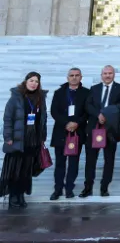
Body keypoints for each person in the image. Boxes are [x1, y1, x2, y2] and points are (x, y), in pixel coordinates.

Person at [1, 72, 47, 209]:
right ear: (26, 81)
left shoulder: (40, 98)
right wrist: (8, 137)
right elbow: (7, 118)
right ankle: (13, 197)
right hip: (18, 139)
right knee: (15, 170)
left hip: (32, 140)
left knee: (25, 171)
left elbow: (42, 120)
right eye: (31, 80)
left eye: (36, 81)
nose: (34, 83)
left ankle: (21, 196)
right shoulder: (16, 98)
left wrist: (42, 137)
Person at [81, 65, 120, 198]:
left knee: (109, 160)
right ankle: (87, 188)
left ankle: (104, 187)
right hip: (94, 128)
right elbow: (88, 105)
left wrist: (107, 115)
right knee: (90, 160)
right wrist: (99, 114)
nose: (107, 75)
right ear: (101, 75)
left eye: (110, 73)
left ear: (114, 75)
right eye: (105, 73)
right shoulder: (94, 88)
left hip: (111, 129)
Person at [50, 67, 89, 200]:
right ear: (67, 78)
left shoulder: (86, 93)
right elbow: (54, 111)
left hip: (77, 132)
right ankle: (58, 189)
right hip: (61, 131)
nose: (74, 77)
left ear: (81, 77)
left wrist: (76, 123)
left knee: (73, 163)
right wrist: (67, 123)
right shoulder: (59, 92)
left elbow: (87, 112)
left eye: (77, 75)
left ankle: (69, 189)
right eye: (71, 75)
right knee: (60, 163)